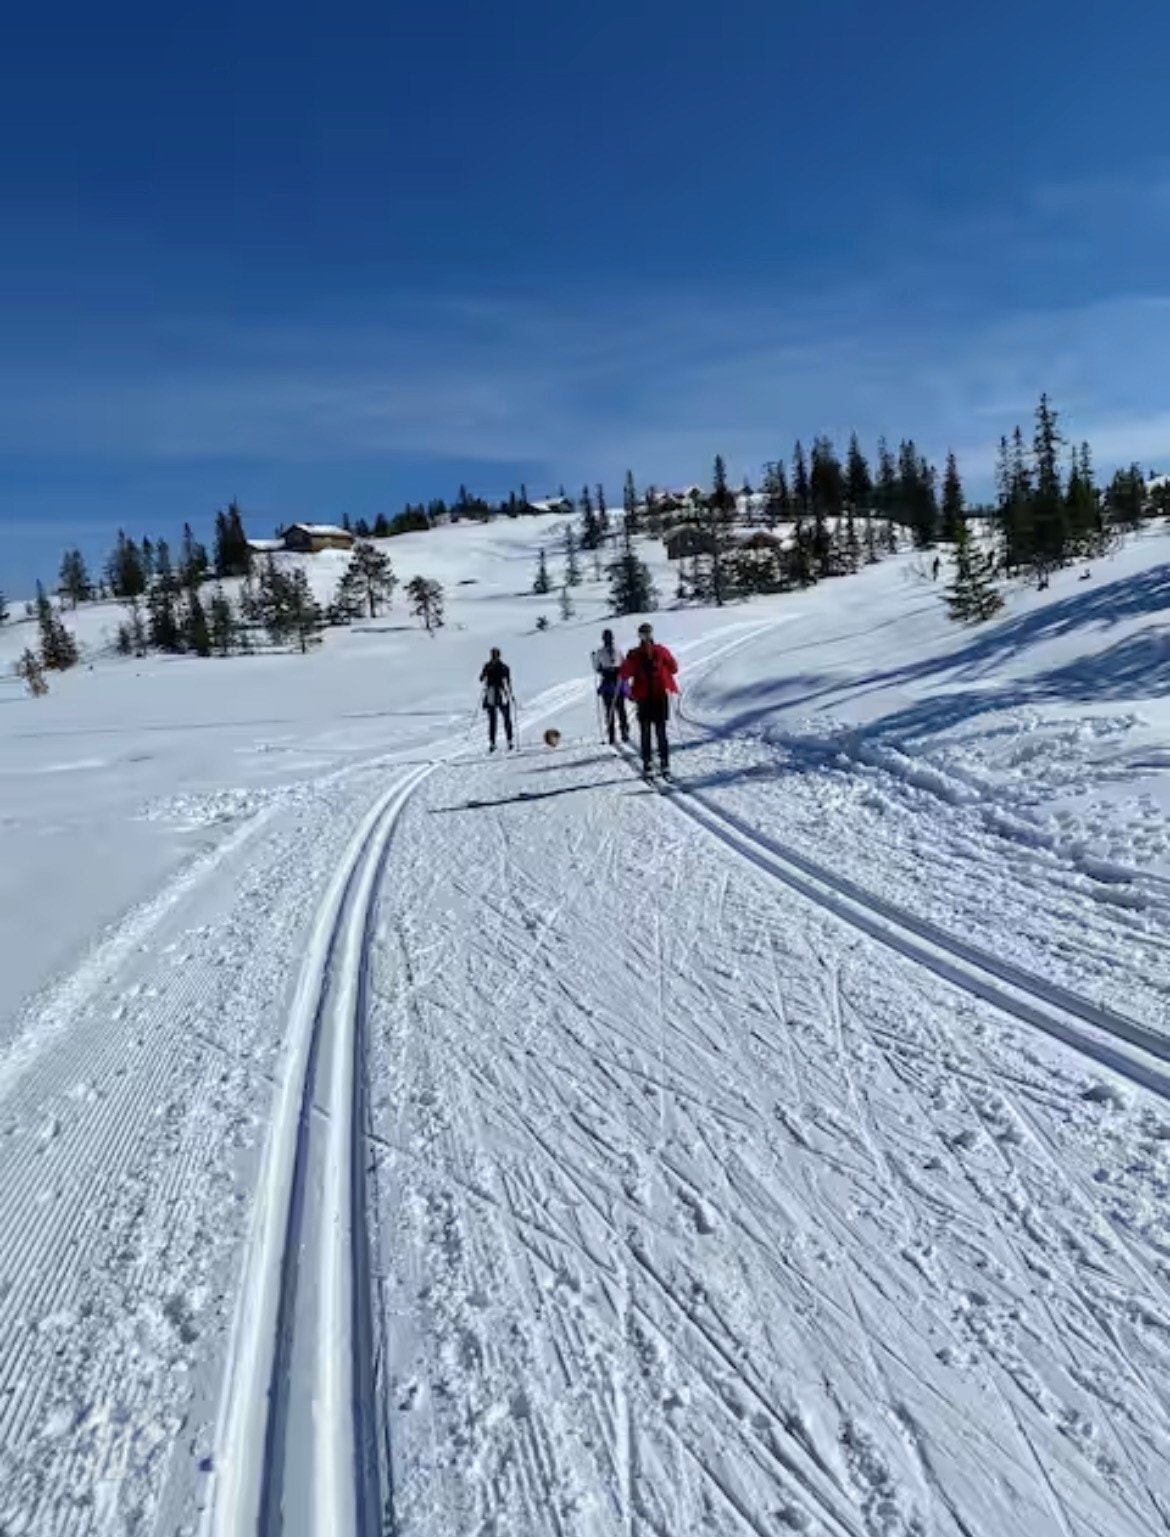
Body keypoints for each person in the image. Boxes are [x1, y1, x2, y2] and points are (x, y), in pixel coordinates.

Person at [619, 622, 678, 779]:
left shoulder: (634, 654)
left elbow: (624, 673)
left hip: (644, 697)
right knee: (660, 731)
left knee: (646, 732)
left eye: (645, 633)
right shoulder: (661, 650)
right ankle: (664, 763)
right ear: (651, 634)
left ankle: (648, 764)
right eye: (646, 633)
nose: (645, 636)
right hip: (659, 696)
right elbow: (674, 668)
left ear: (640, 636)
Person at [592, 628, 630, 745]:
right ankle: (618, 732)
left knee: (614, 709)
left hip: (612, 682)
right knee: (617, 709)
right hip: (612, 682)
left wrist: (597, 663)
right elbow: (623, 664)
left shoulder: (607, 651)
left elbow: (597, 668)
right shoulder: (611, 650)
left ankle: (617, 733)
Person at [479, 648, 515, 752]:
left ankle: (496, 742)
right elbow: (508, 682)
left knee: (495, 719)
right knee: (504, 718)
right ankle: (507, 741)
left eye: (494, 655)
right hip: (500, 693)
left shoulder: (489, 666)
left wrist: (485, 674)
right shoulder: (504, 667)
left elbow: (481, 678)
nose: (493, 657)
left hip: (493, 693)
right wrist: (511, 694)